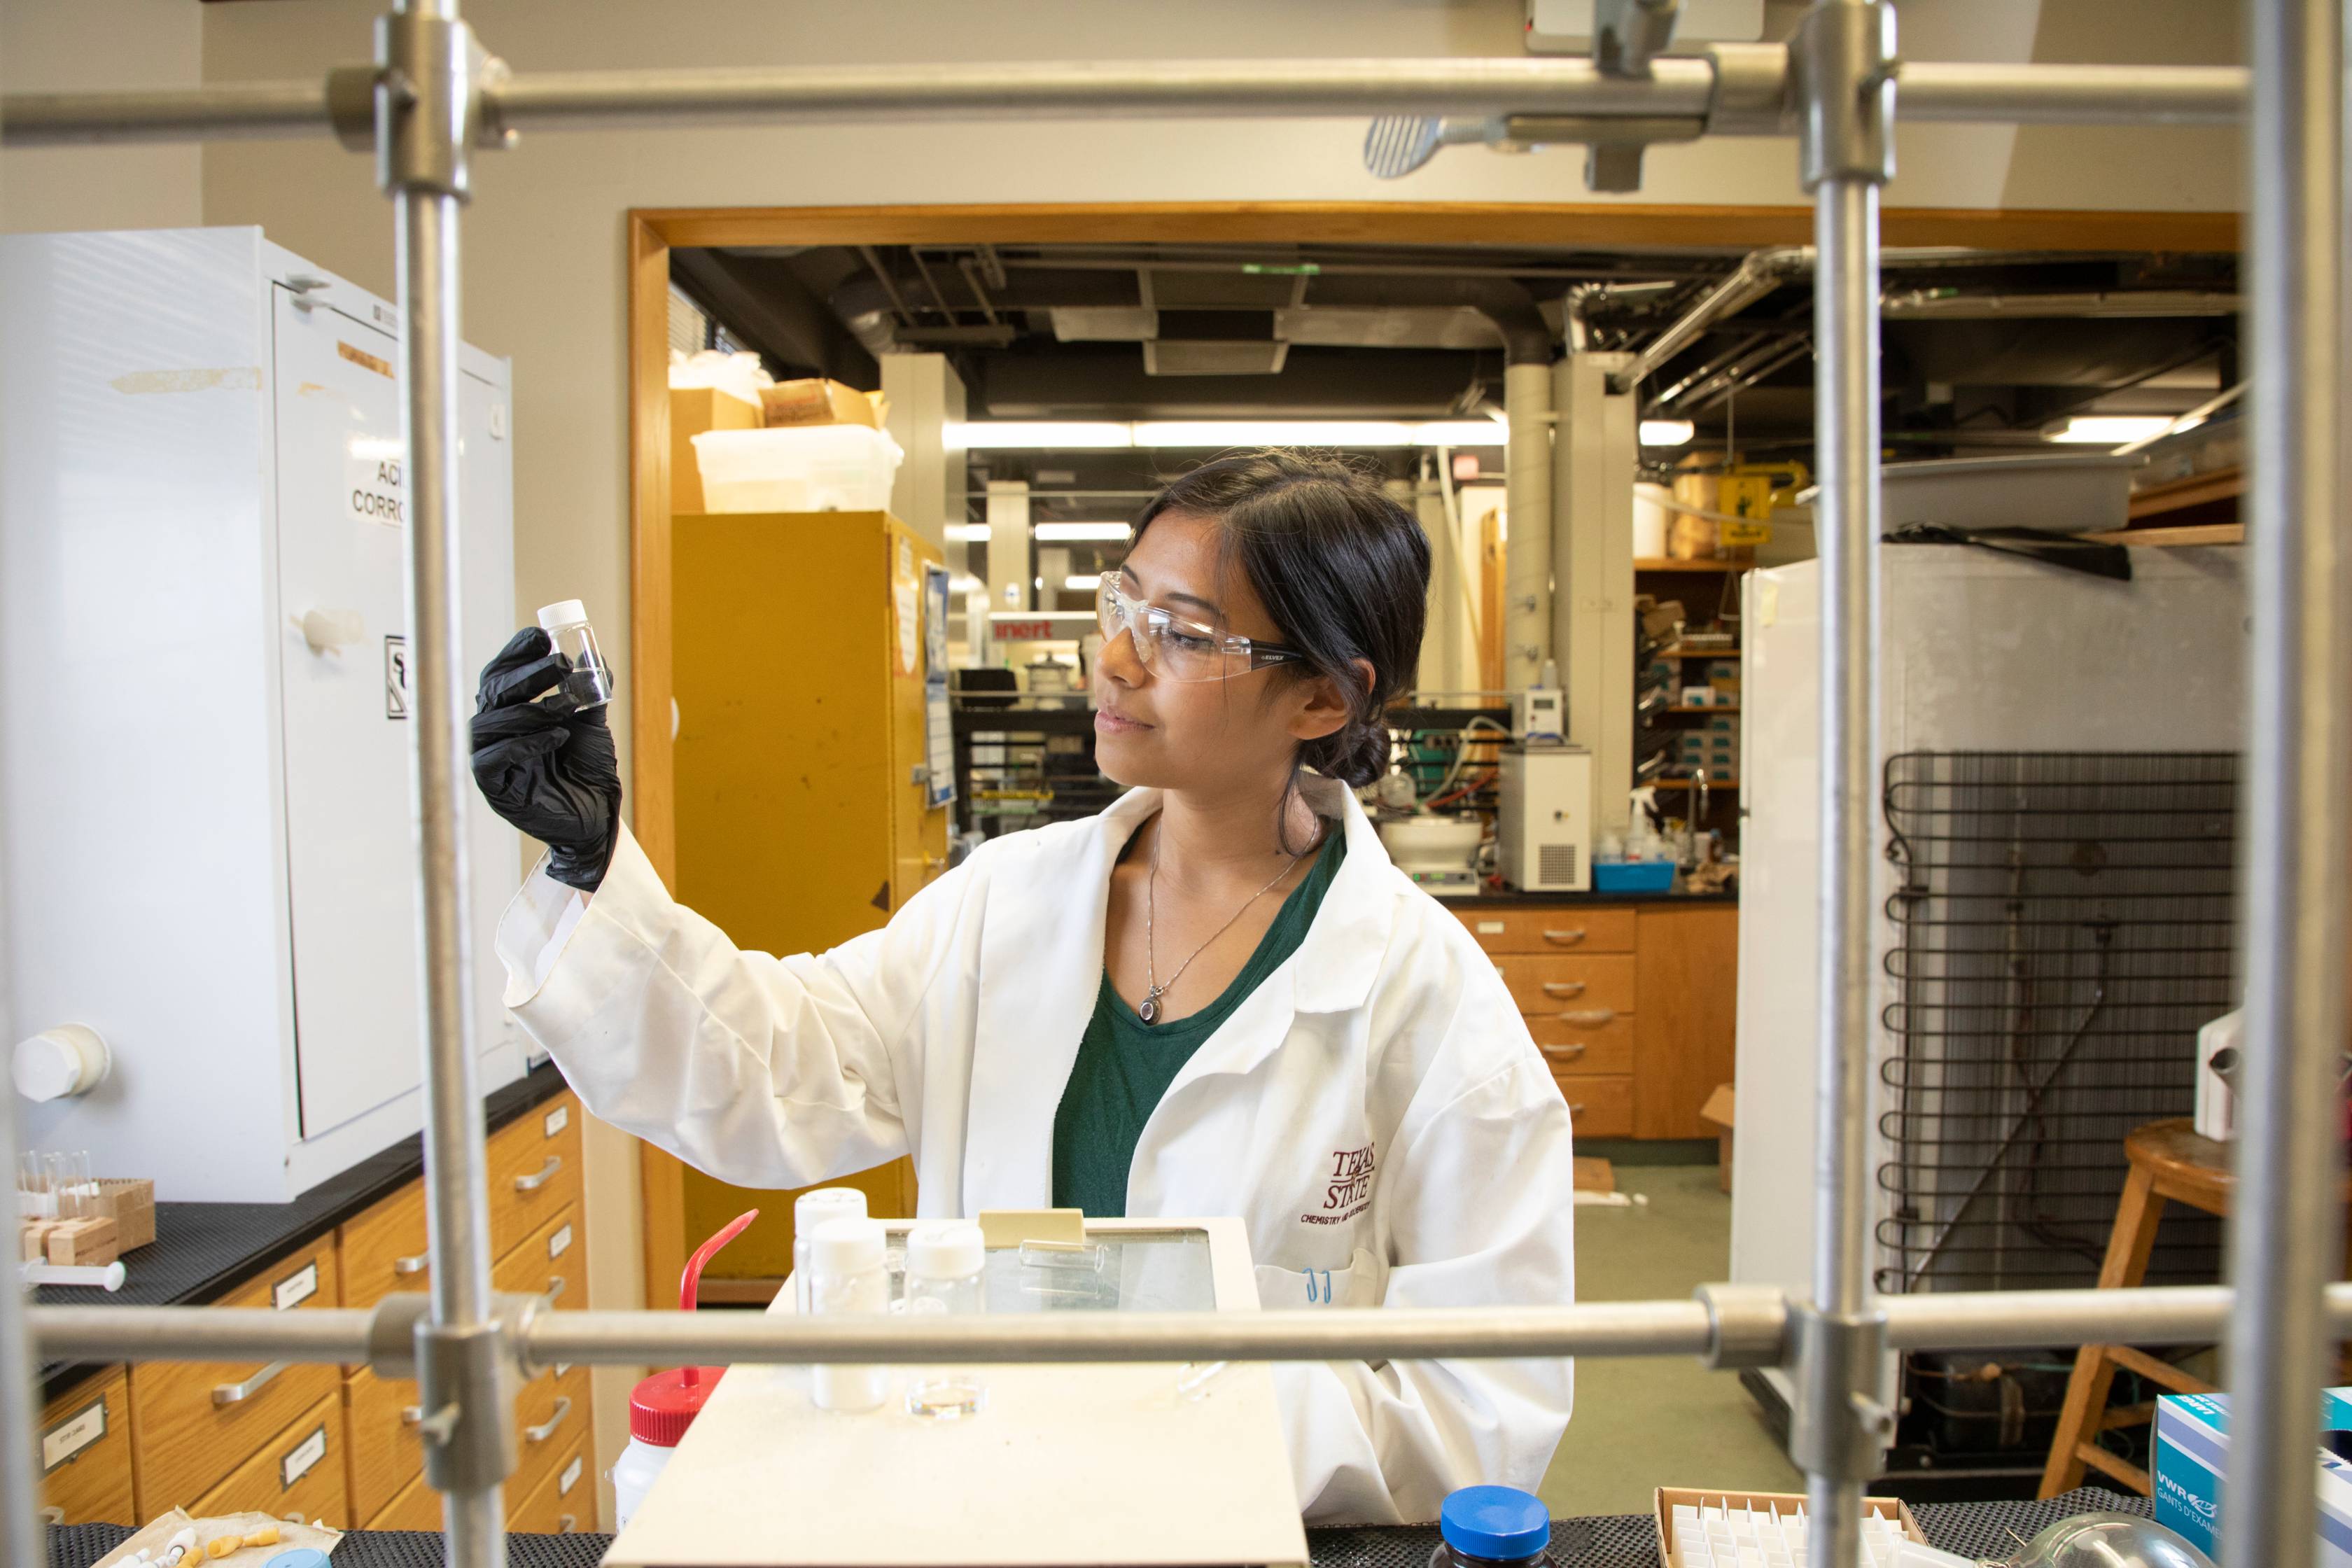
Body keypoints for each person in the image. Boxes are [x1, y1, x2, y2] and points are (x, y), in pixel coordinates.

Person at [471, 449, 1576, 1523]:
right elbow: (776, 1072)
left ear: (1326, 701)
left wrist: (1178, 1414)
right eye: (1122, 606)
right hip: (983, 1514)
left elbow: (1481, 1411)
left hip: (1239, 1535)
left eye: (1182, 636)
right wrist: (590, 864)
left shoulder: (1430, 1005)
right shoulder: (1003, 904)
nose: (1116, 660)